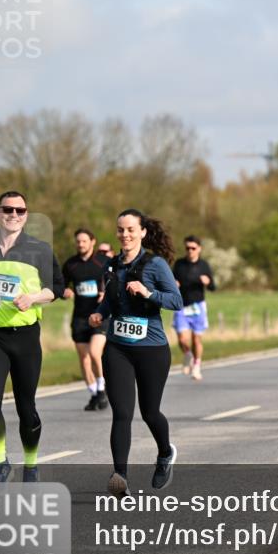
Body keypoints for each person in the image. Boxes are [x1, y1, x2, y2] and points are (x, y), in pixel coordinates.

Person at [89, 209, 183, 498]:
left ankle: (165, 453)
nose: (125, 235)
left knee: (150, 412)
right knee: (122, 413)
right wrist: (98, 313)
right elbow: (111, 302)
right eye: (120, 230)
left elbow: (177, 301)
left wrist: (148, 293)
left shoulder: (155, 264)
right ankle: (121, 478)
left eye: (131, 230)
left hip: (152, 350)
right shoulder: (110, 264)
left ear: (142, 232)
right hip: (117, 348)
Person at [0, 191, 64, 483]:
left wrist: (35, 297)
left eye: (21, 210)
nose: (14, 215)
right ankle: (0, 460)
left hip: (26, 337)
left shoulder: (39, 249)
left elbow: (57, 288)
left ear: (26, 215)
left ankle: (31, 465)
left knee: (27, 407)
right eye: (8, 209)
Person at [62, 228, 110, 411]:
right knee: (83, 358)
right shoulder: (70, 265)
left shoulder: (102, 262)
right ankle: (95, 393)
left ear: (92, 242)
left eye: (84, 241)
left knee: (95, 353)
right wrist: (64, 292)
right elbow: (61, 285)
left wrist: (105, 293)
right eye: (78, 241)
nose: (80, 244)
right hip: (80, 317)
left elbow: (114, 282)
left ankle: (102, 388)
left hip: (99, 315)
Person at [172, 235, 216, 381]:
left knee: (196, 339)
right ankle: (187, 354)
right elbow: (171, 282)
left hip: (198, 306)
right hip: (181, 305)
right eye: (187, 248)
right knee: (181, 339)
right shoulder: (179, 264)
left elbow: (212, 287)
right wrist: (174, 283)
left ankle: (197, 365)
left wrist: (207, 282)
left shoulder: (204, 265)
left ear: (199, 249)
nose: (190, 251)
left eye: (193, 248)